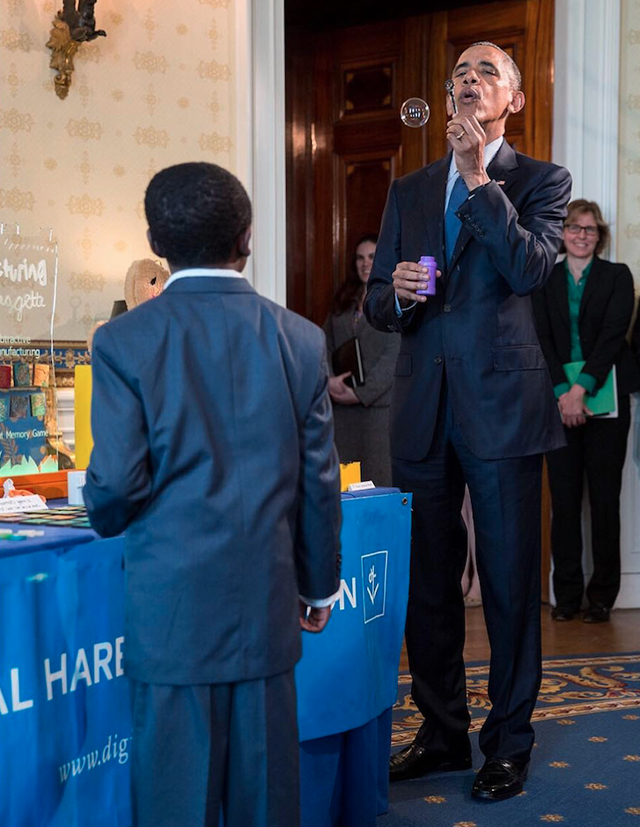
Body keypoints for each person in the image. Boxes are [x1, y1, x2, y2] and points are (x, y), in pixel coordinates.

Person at [83, 162, 342, 827]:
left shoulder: (121, 341)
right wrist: (318, 587)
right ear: (247, 237)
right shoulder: (302, 340)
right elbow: (318, 482)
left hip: (170, 615)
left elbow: (113, 488)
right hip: (264, 609)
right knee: (268, 805)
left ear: (156, 239)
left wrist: (110, 513)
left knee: (175, 803)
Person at [364, 41, 571, 801]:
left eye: (487, 72)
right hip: (422, 409)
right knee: (427, 585)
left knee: (513, 584)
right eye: (459, 73)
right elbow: (377, 303)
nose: (469, 81)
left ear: (512, 100)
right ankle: (444, 730)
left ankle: (508, 741)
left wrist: (482, 177)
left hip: (504, 410)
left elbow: (527, 271)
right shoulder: (411, 190)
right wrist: (403, 291)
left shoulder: (543, 181)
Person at [533, 200, 640, 624]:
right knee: (563, 502)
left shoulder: (617, 276)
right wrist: (564, 393)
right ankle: (568, 597)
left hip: (607, 399)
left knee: (604, 501)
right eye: (575, 228)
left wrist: (581, 390)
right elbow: (541, 338)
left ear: (600, 236)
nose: (582, 236)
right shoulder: (544, 280)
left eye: (590, 230)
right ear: (563, 233)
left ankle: (602, 597)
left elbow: (614, 336)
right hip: (557, 402)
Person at [323, 234, 400, 486]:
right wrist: (329, 381)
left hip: (377, 415)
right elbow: (324, 344)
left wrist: (360, 394)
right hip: (342, 415)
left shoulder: (395, 299)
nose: (365, 263)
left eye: (371, 257)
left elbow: (394, 355)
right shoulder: (345, 301)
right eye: (359, 258)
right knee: (344, 489)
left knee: (377, 487)